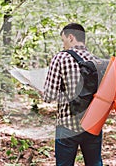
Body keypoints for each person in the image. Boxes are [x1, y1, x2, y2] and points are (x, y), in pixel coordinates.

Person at [43, 23, 103, 166]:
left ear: (70, 37)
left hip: (67, 125)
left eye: (63, 40)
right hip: (93, 123)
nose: (63, 45)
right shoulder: (97, 61)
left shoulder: (61, 58)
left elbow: (49, 96)